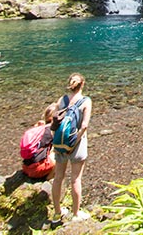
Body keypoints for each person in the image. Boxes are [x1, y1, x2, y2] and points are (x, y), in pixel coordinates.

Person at [51, 73, 92, 223]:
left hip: (60, 143)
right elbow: (85, 125)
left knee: (58, 178)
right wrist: (74, 142)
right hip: (77, 144)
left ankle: (57, 214)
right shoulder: (86, 101)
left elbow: (54, 122)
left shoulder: (62, 100)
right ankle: (75, 214)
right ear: (83, 85)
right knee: (75, 179)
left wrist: (56, 141)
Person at [20, 104, 57, 180]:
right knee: (59, 156)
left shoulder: (39, 129)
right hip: (37, 170)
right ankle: (48, 180)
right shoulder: (52, 131)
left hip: (25, 167)